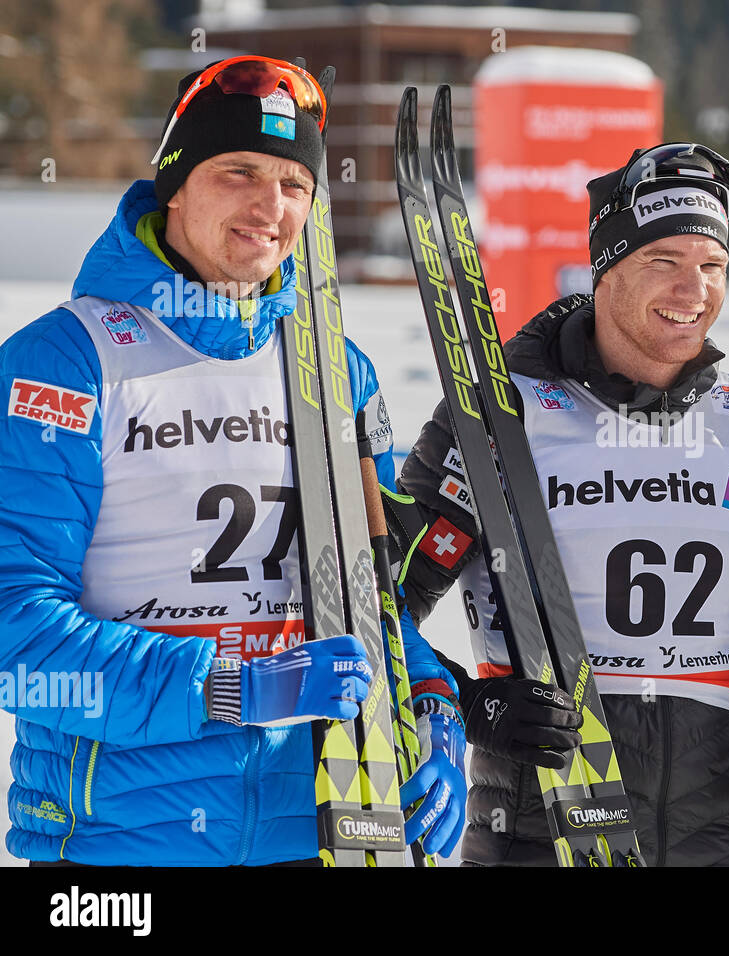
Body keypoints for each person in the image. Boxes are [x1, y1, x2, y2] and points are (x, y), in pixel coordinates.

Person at [0, 56, 465, 865]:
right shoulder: (62, 365)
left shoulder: (336, 370)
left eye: (295, 183)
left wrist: (432, 702)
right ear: (174, 184)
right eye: (238, 171)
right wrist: (230, 688)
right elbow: (16, 628)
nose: (269, 206)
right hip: (115, 846)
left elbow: (370, 592)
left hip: (318, 829)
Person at [386, 143, 729, 865]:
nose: (693, 289)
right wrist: (473, 707)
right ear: (605, 269)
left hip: (716, 842)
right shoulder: (503, 413)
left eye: (712, 265)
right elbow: (378, 605)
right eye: (664, 261)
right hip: (540, 836)